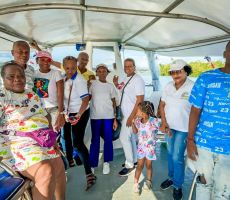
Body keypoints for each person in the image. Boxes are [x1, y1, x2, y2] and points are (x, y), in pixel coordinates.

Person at [0, 61, 66, 200]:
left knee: (59, 166)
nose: (17, 79)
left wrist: (52, 139)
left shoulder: (32, 95)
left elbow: (45, 114)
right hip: (17, 145)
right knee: (45, 170)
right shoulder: (2, 97)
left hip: (41, 140)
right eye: (11, 76)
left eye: (20, 76)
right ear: (3, 79)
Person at [187, 41, 230, 200]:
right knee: (204, 184)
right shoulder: (206, 77)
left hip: (228, 149)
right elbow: (195, 110)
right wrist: (190, 139)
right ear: (225, 54)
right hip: (204, 143)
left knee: (224, 191)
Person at [159, 59, 194, 200]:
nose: (176, 74)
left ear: (186, 71)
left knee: (177, 157)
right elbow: (162, 105)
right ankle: (171, 178)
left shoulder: (192, 86)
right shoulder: (168, 86)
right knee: (169, 154)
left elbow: (197, 110)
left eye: (179, 71)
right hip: (169, 126)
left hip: (183, 128)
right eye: (173, 72)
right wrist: (163, 123)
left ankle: (178, 186)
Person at [62, 56, 96, 190]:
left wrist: (78, 115)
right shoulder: (63, 78)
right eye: (67, 68)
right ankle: (69, 160)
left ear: (76, 66)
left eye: (73, 68)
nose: (70, 71)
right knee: (66, 138)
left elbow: (86, 100)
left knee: (77, 142)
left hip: (80, 112)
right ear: (64, 67)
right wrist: (63, 113)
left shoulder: (80, 80)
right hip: (67, 113)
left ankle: (89, 173)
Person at [113, 58, 145, 176]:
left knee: (123, 138)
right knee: (130, 138)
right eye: (126, 66)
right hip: (125, 114)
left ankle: (129, 164)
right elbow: (122, 89)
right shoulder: (126, 78)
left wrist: (132, 117)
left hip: (132, 114)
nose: (128, 68)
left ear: (134, 67)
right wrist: (116, 84)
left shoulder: (138, 80)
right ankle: (135, 160)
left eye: (130, 66)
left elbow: (140, 100)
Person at [89, 64, 118, 175]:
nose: (102, 73)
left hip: (109, 117)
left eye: (104, 71)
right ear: (96, 73)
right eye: (99, 71)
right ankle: (92, 164)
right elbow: (87, 98)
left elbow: (114, 102)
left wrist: (115, 118)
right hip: (95, 116)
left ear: (107, 73)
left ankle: (106, 162)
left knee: (108, 140)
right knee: (95, 141)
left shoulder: (110, 86)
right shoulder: (92, 84)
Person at [132, 101, 160, 194]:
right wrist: (133, 123)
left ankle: (148, 182)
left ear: (144, 112)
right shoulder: (138, 121)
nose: (136, 112)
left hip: (150, 149)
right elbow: (136, 132)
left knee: (148, 166)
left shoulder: (153, 121)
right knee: (139, 166)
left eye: (138, 110)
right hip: (141, 148)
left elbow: (162, 127)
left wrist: (167, 130)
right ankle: (135, 183)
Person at [33, 50, 65, 130]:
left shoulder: (56, 73)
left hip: (53, 109)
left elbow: (60, 94)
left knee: (53, 133)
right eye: (42, 60)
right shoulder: (33, 73)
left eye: (48, 60)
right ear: (37, 61)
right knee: (41, 133)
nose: (46, 62)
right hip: (38, 108)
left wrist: (60, 113)